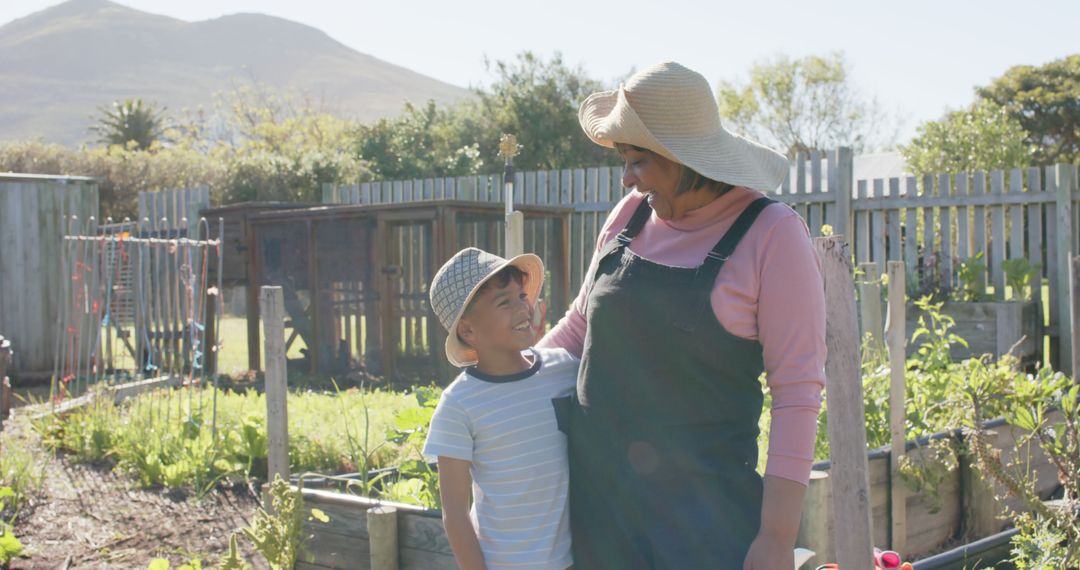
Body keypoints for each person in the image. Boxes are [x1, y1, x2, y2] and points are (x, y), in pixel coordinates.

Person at [540, 61, 827, 569]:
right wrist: (500, 380)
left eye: (637, 161)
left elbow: (797, 393)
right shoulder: (631, 214)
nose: (626, 177)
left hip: (703, 531)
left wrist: (776, 538)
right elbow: (580, 328)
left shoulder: (772, 234)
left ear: (682, 157)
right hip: (600, 517)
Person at [423, 247, 577, 570]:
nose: (523, 308)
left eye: (522, 296)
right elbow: (455, 513)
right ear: (468, 330)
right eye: (504, 303)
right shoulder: (459, 406)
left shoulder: (563, 370)